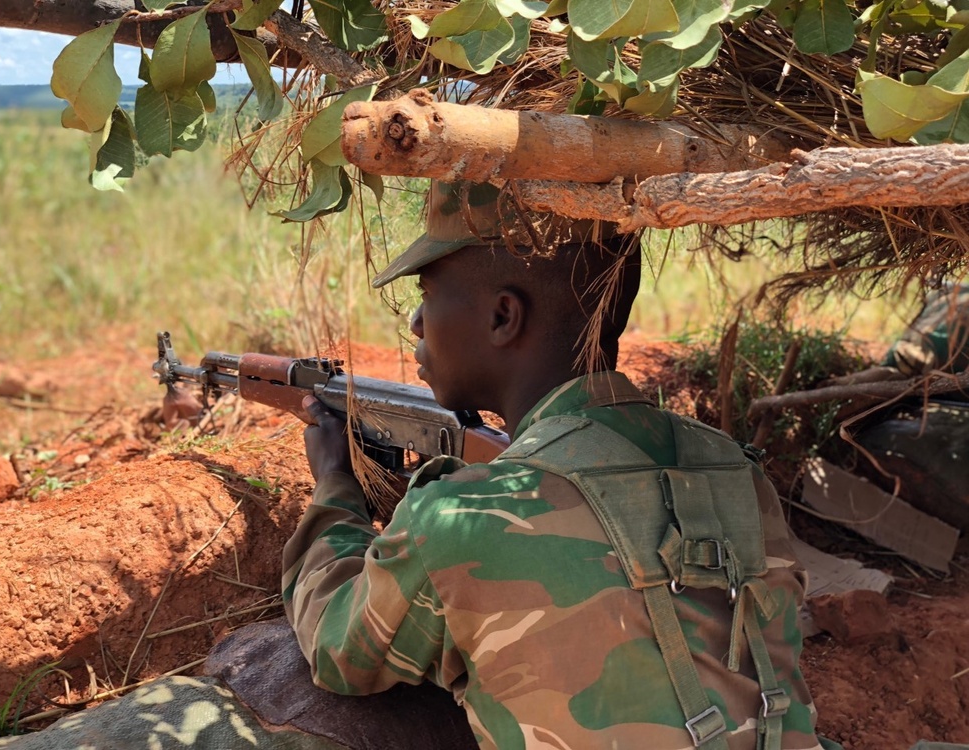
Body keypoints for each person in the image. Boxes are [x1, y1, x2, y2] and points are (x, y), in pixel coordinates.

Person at [282, 180, 825, 750]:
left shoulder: (459, 519)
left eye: (427, 295)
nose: (416, 323)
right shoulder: (741, 476)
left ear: (502, 317)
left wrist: (335, 486)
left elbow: (338, 648)